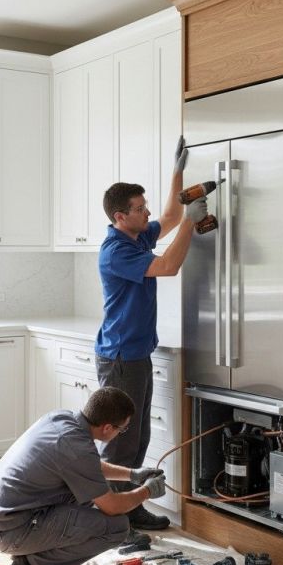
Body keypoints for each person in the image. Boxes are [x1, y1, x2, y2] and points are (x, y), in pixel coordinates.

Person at [95, 136, 208, 530]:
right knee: (122, 442)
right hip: (121, 358)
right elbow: (169, 266)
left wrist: (177, 169)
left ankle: (130, 507)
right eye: (139, 210)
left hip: (135, 355)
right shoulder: (117, 251)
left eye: (144, 208)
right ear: (120, 217)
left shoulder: (137, 234)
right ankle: (111, 516)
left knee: (137, 437)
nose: (147, 215)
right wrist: (193, 221)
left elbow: (170, 216)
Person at [0, 387, 166, 565]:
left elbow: (88, 466)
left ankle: (34, 554)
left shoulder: (61, 418)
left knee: (84, 495)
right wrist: (147, 491)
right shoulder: (78, 449)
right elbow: (112, 506)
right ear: (107, 428)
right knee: (117, 527)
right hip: (11, 530)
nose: (119, 434)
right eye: (121, 430)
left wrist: (132, 475)